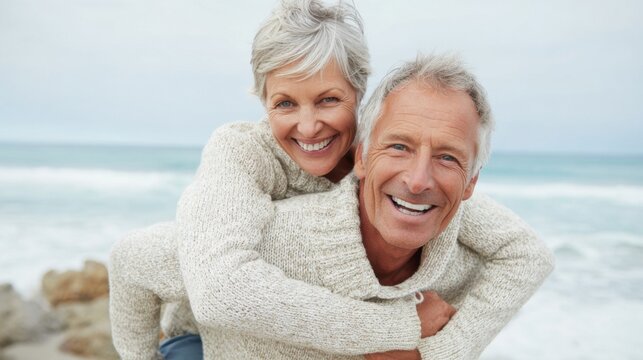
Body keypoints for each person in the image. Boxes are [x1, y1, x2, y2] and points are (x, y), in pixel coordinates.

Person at [108, 2, 553, 359]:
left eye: (328, 100)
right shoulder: (241, 155)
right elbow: (218, 291)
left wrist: (443, 350)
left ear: (360, 94)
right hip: (201, 339)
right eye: (284, 104)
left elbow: (522, 250)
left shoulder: (392, 162)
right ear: (262, 102)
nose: (308, 127)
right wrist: (399, 327)